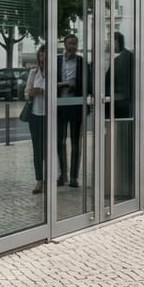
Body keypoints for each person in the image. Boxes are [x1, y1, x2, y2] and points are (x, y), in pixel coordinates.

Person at [55, 34, 90, 188]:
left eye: (75, 44)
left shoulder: (82, 62)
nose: (73, 46)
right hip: (59, 105)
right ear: (64, 44)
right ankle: (63, 174)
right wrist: (63, 84)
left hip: (76, 105)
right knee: (60, 141)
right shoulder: (56, 61)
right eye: (70, 43)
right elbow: (49, 81)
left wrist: (77, 85)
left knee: (76, 142)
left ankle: (74, 177)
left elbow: (89, 83)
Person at [25, 46, 49, 194]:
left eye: (45, 56)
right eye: (41, 56)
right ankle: (39, 180)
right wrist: (31, 93)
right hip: (35, 114)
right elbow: (26, 93)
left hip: (50, 115)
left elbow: (57, 92)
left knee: (50, 148)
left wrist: (44, 91)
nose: (42, 59)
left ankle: (52, 177)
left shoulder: (54, 73)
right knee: (37, 149)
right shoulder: (33, 72)